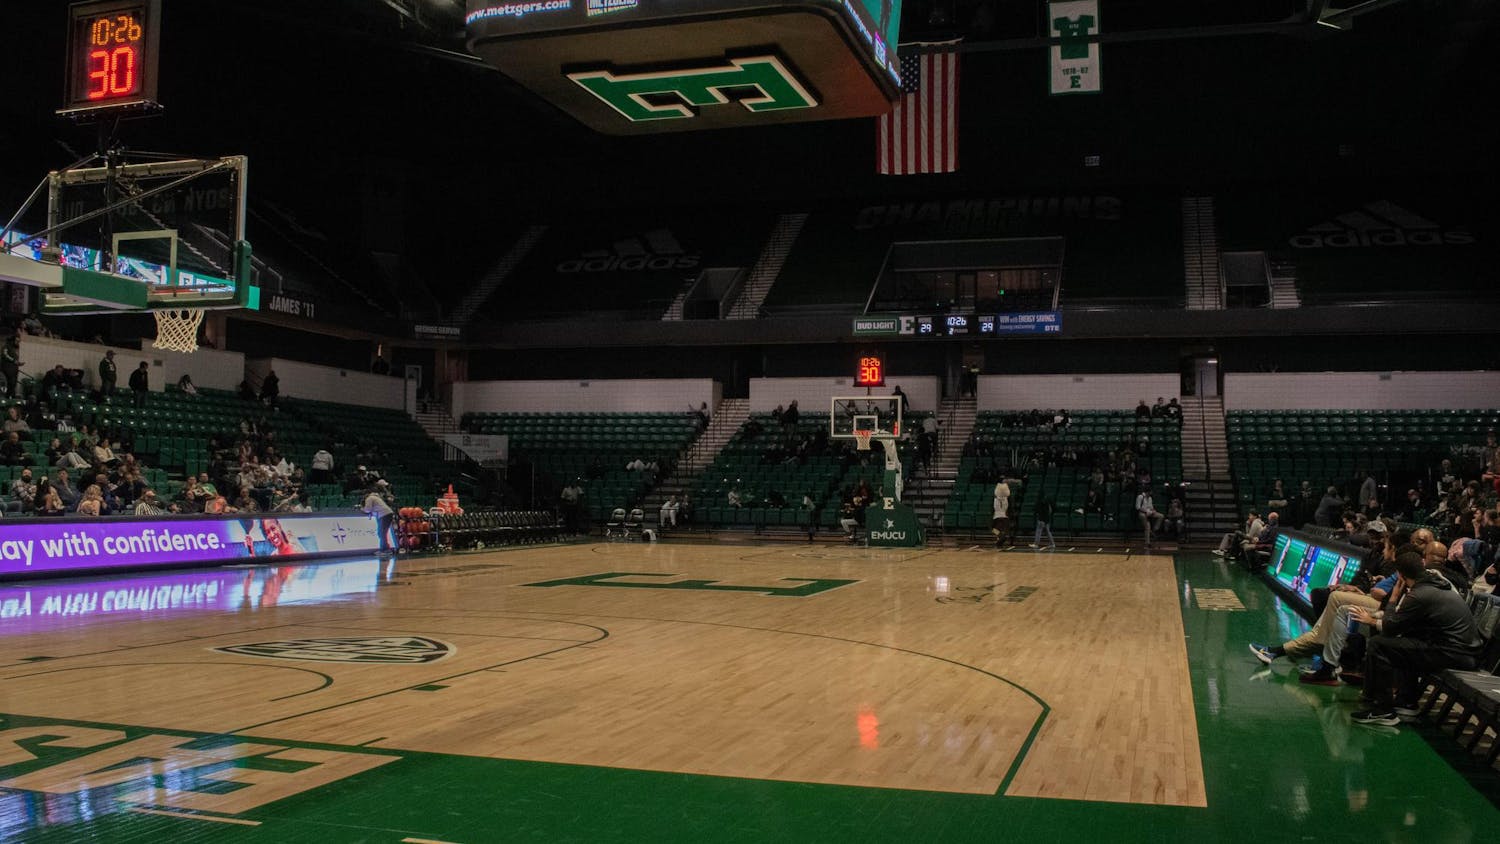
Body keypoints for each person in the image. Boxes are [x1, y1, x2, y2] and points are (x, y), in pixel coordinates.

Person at [1350, 552, 1483, 727]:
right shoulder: (1435, 584)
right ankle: (1407, 701)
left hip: (1455, 653)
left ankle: (1384, 710)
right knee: (1408, 641)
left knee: (1379, 644)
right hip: (1463, 651)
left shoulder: (1420, 594)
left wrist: (1393, 599)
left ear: (1401, 575)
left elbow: (1390, 627)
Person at [363, 478, 396, 553]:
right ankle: (385, 548)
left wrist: (362, 509)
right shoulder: (376, 497)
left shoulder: (369, 498)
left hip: (384, 515)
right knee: (381, 532)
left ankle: (385, 549)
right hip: (386, 514)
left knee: (382, 532)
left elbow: (367, 509)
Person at [992, 480, 1011, 547]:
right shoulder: (1006, 499)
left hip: (997, 517)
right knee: (1003, 529)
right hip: (1004, 517)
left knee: (994, 529)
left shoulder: (996, 500)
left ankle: (1000, 536)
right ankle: (1000, 540)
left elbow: (994, 508)